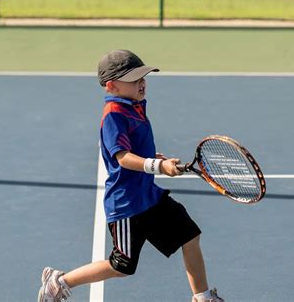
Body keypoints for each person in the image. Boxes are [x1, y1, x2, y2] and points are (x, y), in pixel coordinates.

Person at [37, 50, 224, 302]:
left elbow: (134, 148)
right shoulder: (114, 114)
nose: (142, 82)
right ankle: (59, 282)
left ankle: (202, 297)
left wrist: (153, 157)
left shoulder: (134, 107)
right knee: (122, 266)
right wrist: (157, 167)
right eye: (134, 78)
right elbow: (123, 158)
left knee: (189, 235)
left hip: (150, 198)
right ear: (112, 85)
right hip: (127, 206)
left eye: (143, 76)